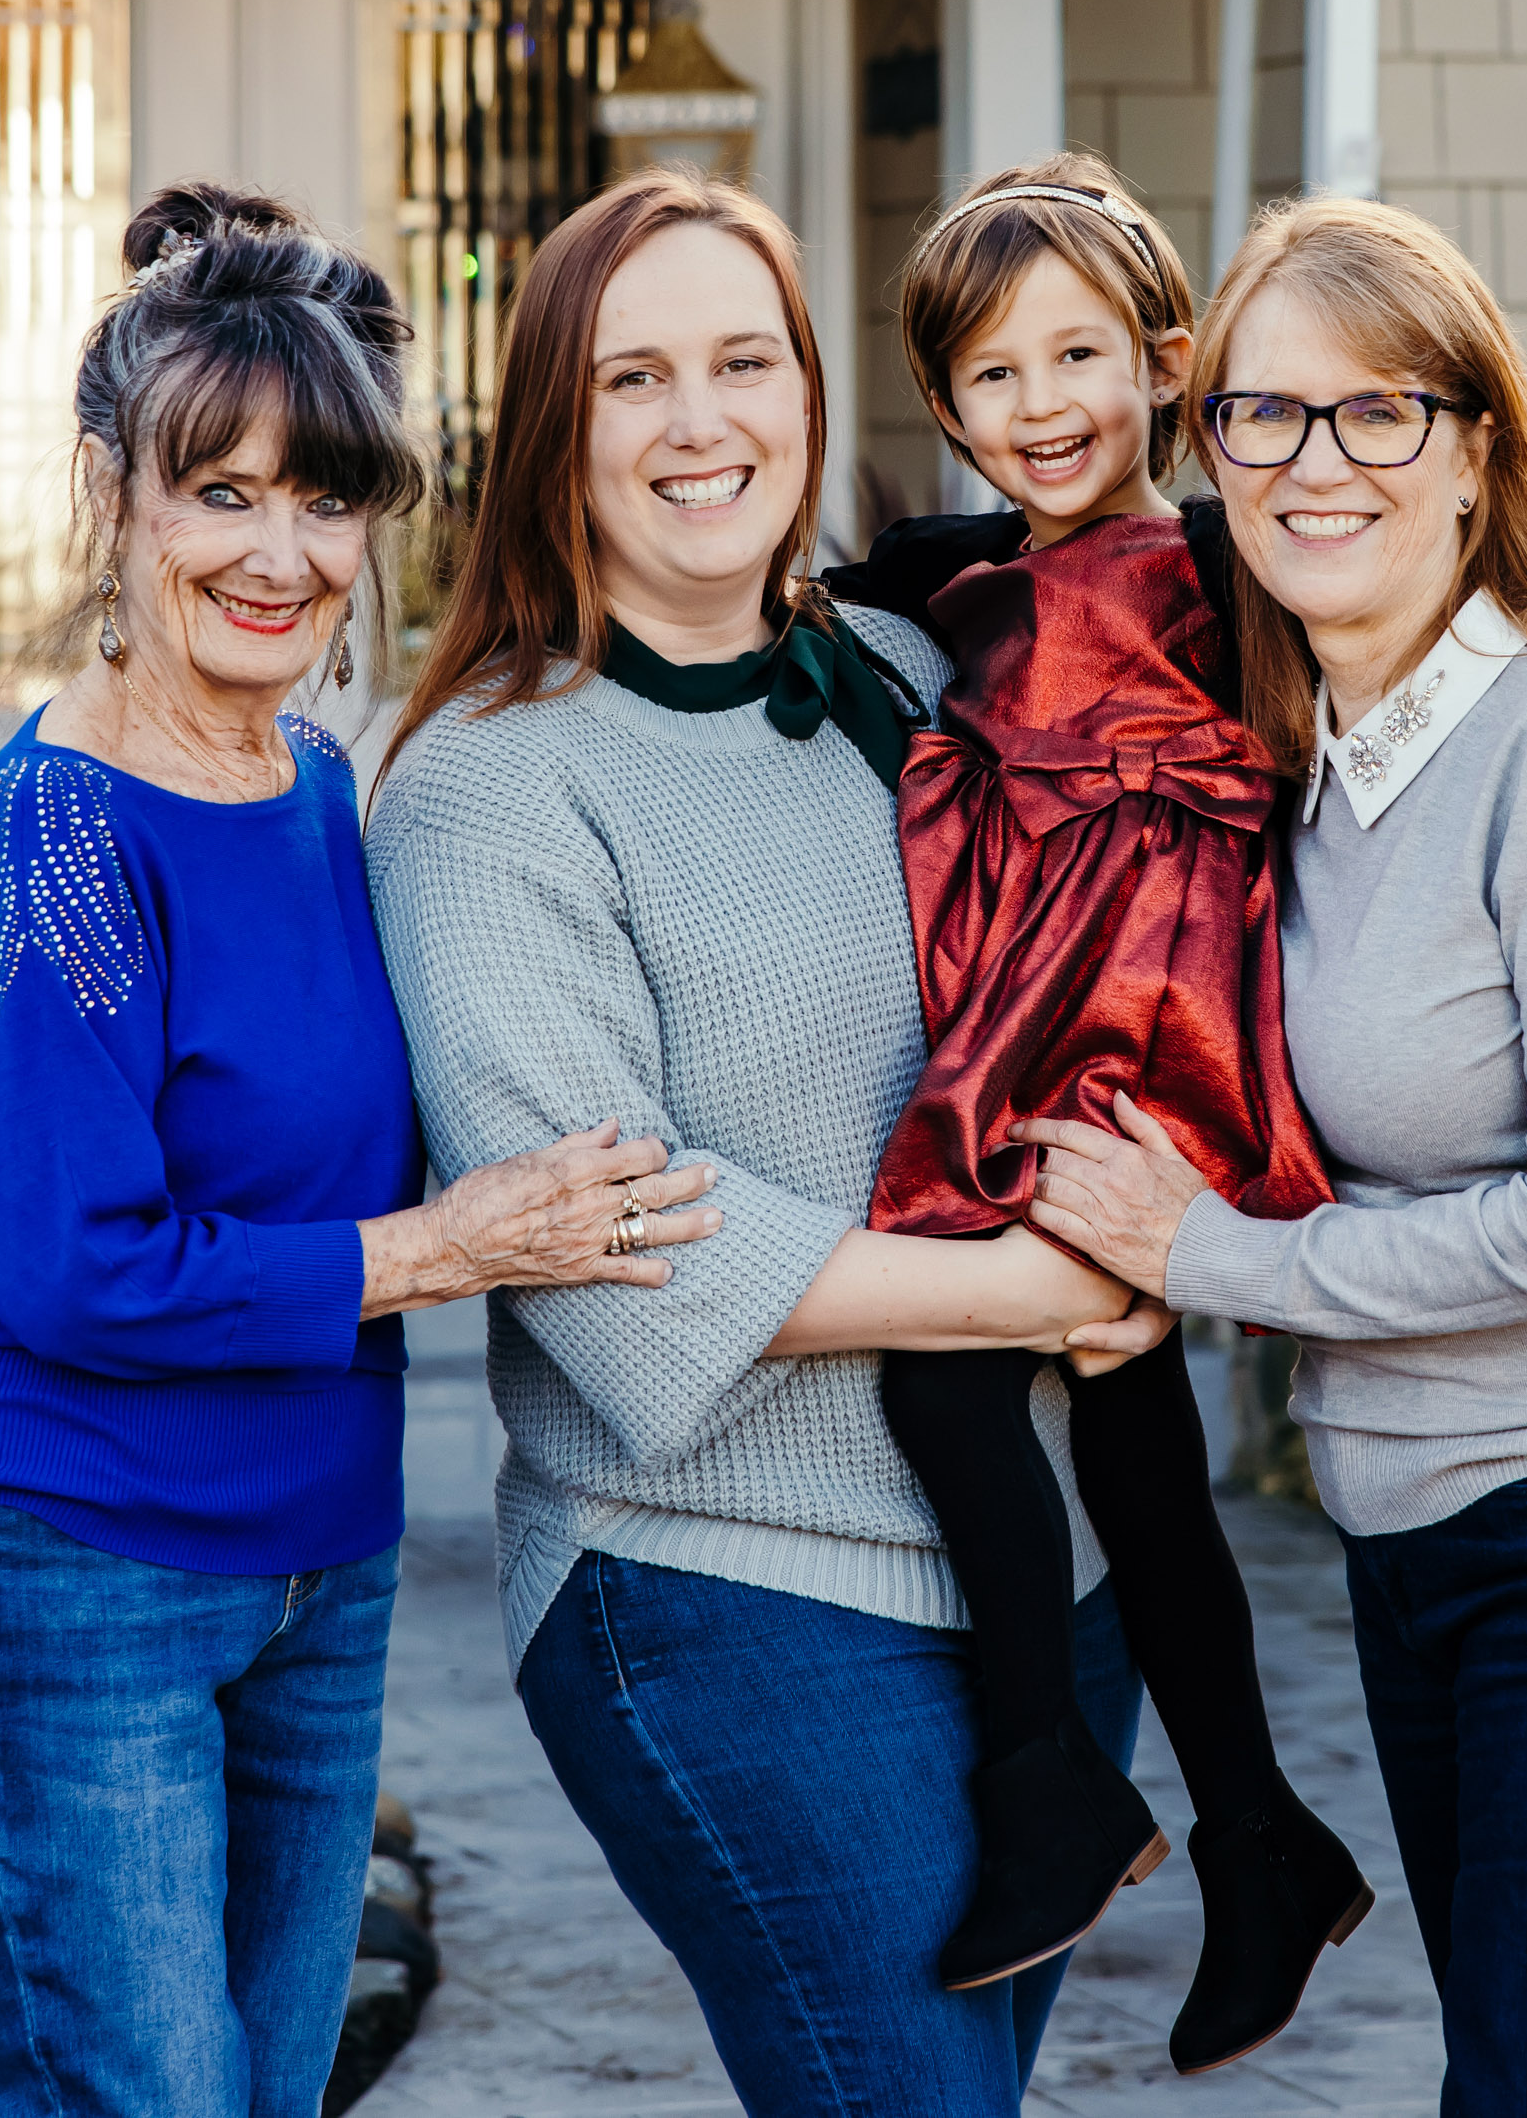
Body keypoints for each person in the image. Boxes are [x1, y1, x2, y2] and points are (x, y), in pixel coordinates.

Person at [0, 184, 718, 2118]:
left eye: (325, 500)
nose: (281, 553)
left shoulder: (319, 783)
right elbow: (85, 1269)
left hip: (315, 1559)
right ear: (110, 495)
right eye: (218, 493)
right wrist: (445, 1248)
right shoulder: (59, 846)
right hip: (58, 1549)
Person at [1024, 193, 1527, 2116]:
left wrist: (1211, 1257)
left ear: (1476, 452)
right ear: (1206, 447)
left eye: (1377, 412)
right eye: (1262, 415)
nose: (1317, 465)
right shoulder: (1317, 774)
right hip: (1422, 1525)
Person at [364, 165, 1154, 2118]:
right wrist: (1041, 1280)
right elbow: (625, 1252)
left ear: (812, 395)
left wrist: (1169, 1223)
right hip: (725, 1584)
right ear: (554, 427)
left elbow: (1126, 962)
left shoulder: (911, 680)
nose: (699, 419)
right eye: (634, 376)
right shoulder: (492, 784)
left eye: (742, 359)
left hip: (1051, 1586)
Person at [821, 155, 1371, 2075]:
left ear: (1160, 360)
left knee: (947, 1378)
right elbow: (848, 603)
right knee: (1129, 1437)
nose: (1039, 404)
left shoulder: (1229, 561)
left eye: (1077, 355)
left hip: (1138, 1024)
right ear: (946, 408)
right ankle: (1255, 1833)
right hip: (1046, 1015)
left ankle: (1053, 1774)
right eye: (988, 376)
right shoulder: (960, 576)